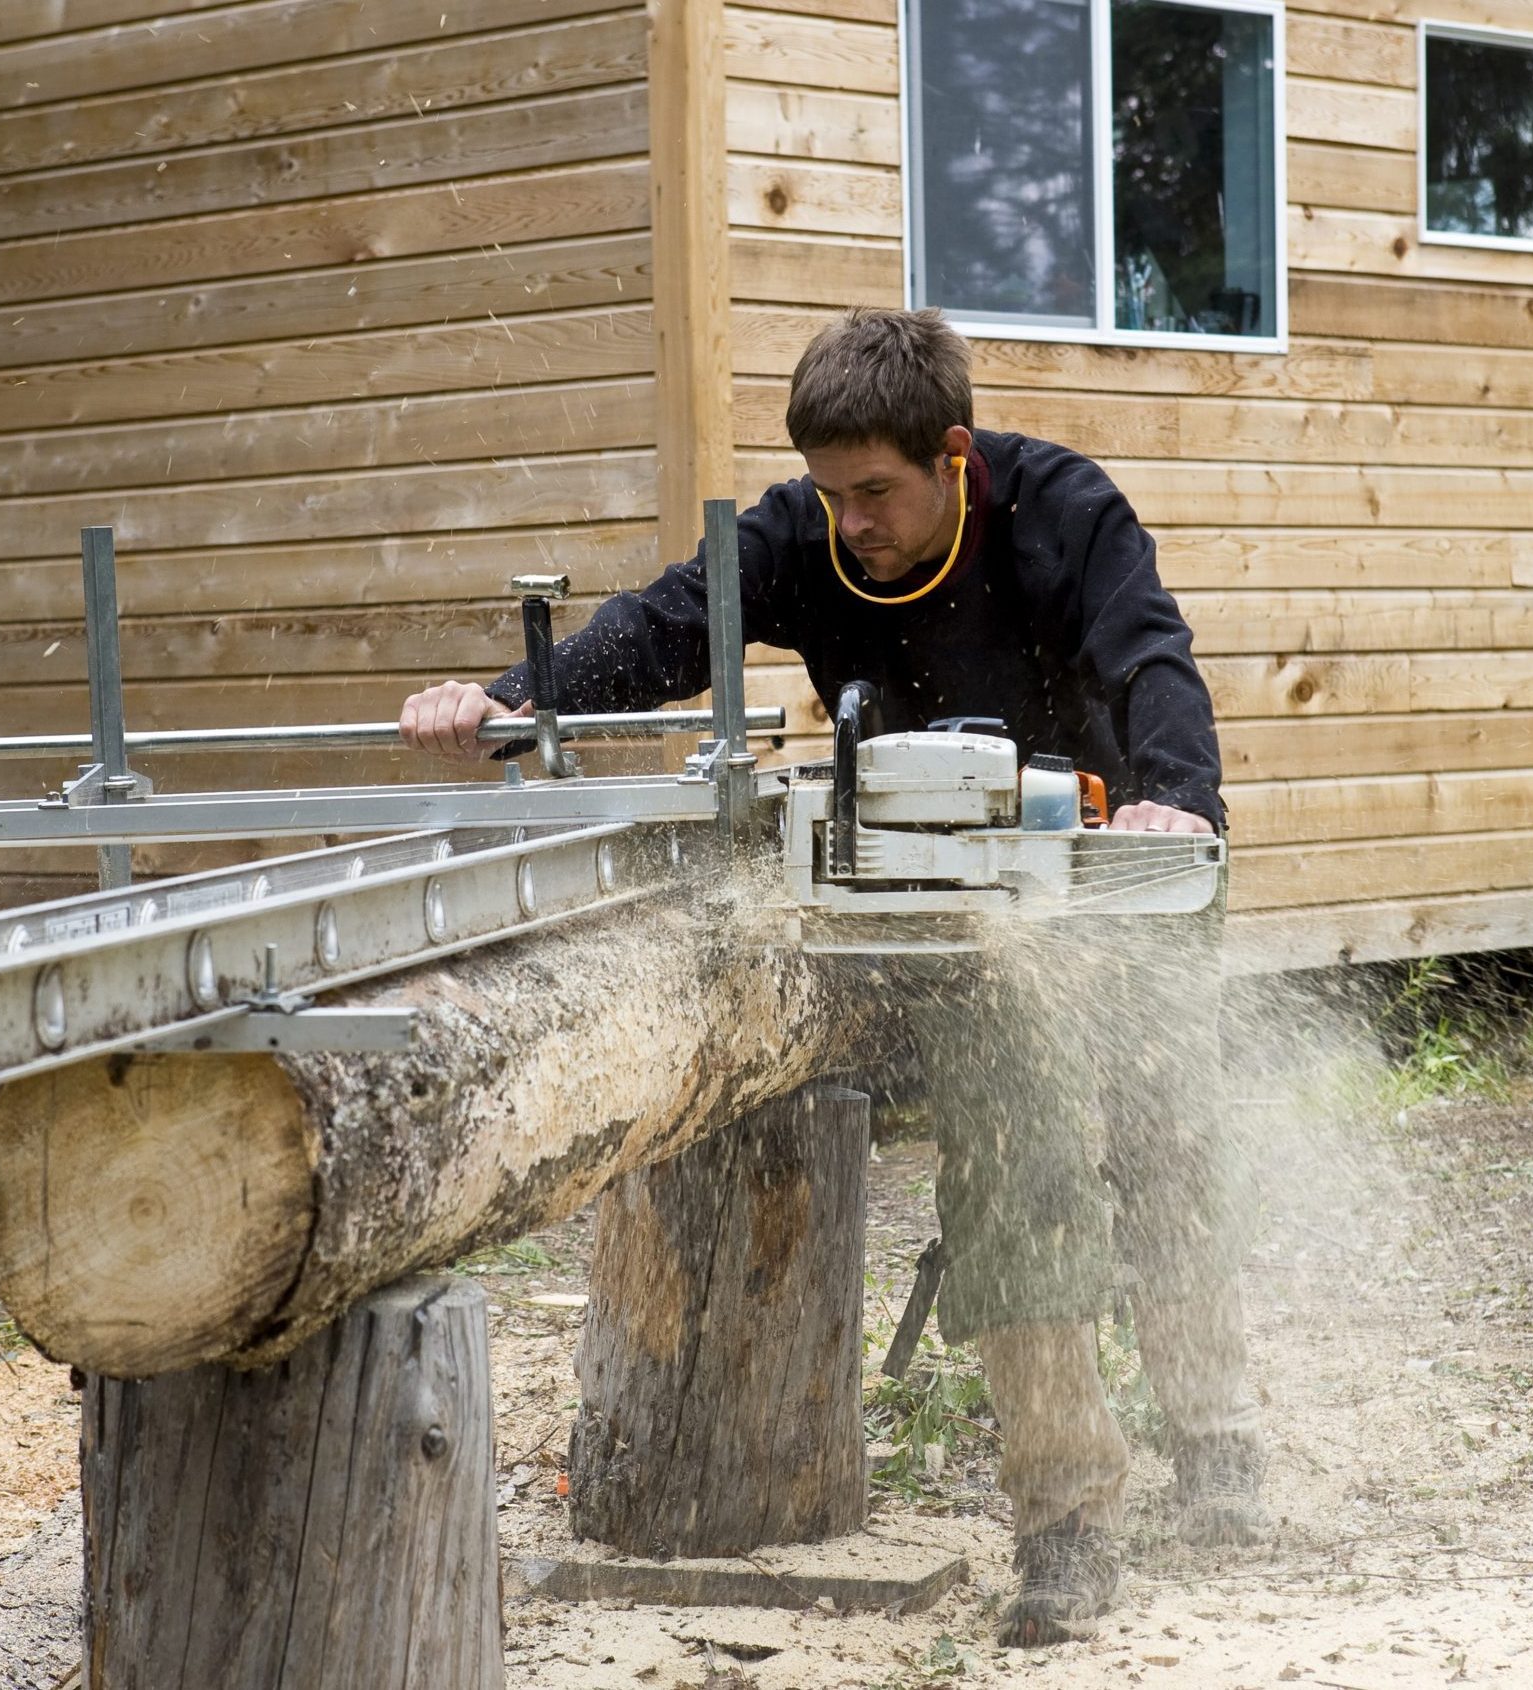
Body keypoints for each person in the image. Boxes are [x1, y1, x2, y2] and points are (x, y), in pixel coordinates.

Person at [400, 307, 1266, 1646]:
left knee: (1164, 1142)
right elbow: (665, 625)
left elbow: (1151, 656)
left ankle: (1213, 1434)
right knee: (1017, 1135)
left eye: (876, 492)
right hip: (929, 915)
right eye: (830, 492)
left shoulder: (1062, 511)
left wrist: (1173, 800)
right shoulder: (794, 539)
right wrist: (524, 696)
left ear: (954, 456)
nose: (851, 520)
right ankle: (1067, 1514)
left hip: (1102, 868)